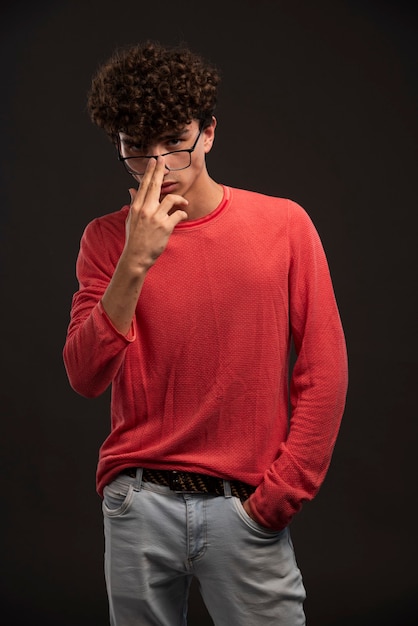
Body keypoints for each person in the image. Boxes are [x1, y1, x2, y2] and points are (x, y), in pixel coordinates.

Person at [63, 40, 348, 626]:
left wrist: (277, 499)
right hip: (138, 502)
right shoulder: (104, 241)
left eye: (175, 142)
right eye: (136, 150)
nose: (158, 166)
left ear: (209, 132)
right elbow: (85, 375)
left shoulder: (284, 225)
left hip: (244, 507)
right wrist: (134, 263)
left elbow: (324, 369)